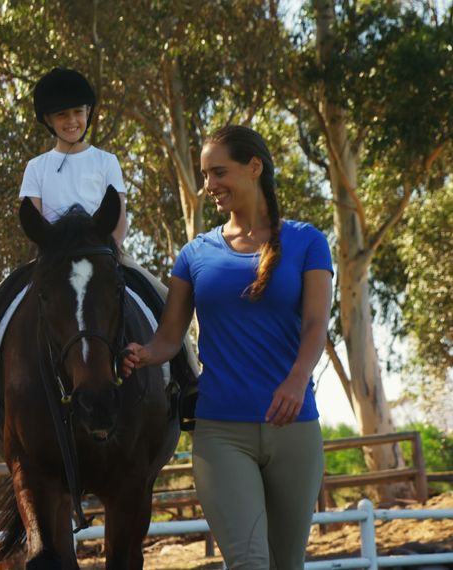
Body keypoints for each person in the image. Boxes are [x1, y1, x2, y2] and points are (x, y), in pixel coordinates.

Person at [121, 125, 333, 569]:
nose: (209, 186)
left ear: (254, 167)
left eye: (219, 172)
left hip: (293, 428)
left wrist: (297, 381)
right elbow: (168, 338)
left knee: (285, 563)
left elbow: (316, 324)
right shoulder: (195, 254)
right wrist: (142, 354)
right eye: (204, 175)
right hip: (220, 433)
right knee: (249, 562)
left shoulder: (307, 241)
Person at [0, 67, 188, 431]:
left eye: (77, 112)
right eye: (63, 115)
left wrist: (108, 251)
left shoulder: (105, 161)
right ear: (49, 121)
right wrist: (53, 251)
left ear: (88, 114)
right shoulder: (37, 167)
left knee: (162, 294)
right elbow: (33, 217)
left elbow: (120, 218)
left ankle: (188, 379)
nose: (72, 121)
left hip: (104, 254)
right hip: (52, 259)